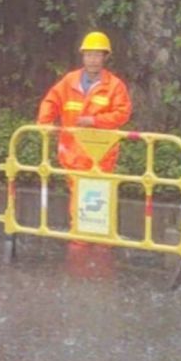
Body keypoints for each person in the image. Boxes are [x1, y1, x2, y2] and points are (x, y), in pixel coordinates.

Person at [36, 31, 132, 226]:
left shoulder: (114, 86)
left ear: (105, 57)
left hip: (101, 152)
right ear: (83, 56)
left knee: (97, 193)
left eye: (98, 55)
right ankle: (81, 235)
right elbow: (51, 101)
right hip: (72, 150)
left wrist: (94, 121)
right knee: (78, 191)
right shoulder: (69, 81)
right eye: (89, 55)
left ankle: (91, 236)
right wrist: (44, 124)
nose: (93, 60)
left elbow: (122, 114)